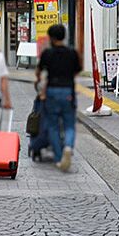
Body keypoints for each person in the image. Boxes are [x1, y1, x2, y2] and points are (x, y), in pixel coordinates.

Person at [35, 23, 80, 172]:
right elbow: (76, 72)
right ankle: (68, 146)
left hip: (52, 91)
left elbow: (39, 72)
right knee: (69, 124)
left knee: (53, 125)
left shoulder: (48, 53)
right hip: (67, 91)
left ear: (52, 38)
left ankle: (60, 157)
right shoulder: (72, 53)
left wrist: (39, 82)